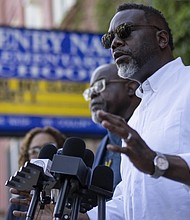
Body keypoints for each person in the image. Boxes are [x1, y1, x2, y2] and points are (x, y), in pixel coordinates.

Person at [84, 3, 190, 220]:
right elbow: (129, 200)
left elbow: (154, 163)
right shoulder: (137, 116)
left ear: (162, 39)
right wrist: (76, 217)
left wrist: (157, 162)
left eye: (125, 31)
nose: (114, 43)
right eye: (109, 39)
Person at [83, 63, 140, 189]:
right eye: (90, 91)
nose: (93, 95)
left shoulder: (147, 128)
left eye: (99, 86)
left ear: (131, 87)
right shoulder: (105, 144)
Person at [6, 126, 66, 220]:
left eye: (48, 148)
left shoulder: (76, 199)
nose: (40, 155)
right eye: (35, 150)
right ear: (27, 158)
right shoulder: (17, 205)